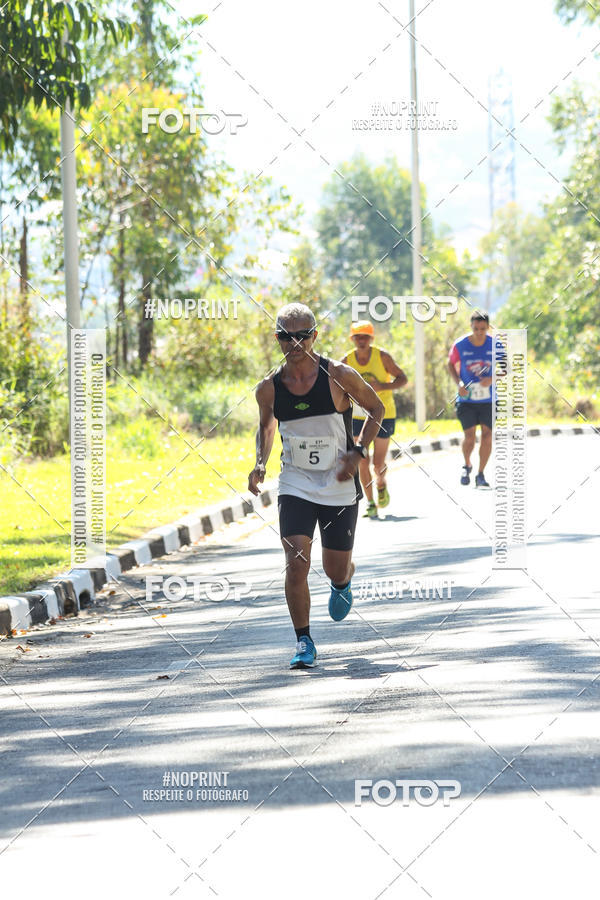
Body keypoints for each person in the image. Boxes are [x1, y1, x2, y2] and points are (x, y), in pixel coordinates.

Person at [248, 303, 384, 669]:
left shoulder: (338, 375)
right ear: (276, 338)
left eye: (302, 335)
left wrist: (357, 451)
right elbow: (266, 428)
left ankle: (344, 581)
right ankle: (304, 640)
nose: (295, 343)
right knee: (296, 560)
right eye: (286, 336)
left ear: (315, 336)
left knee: (334, 569)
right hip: (296, 482)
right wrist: (260, 464)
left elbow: (376, 409)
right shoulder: (269, 389)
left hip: (339, 482)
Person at [342, 321, 408, 518]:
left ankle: (381, 483)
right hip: (357, 416)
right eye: (357, 337)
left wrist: (382, 386)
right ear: (352, 339)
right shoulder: (346, 360)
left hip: (383, 414)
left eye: (365, 337)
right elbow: (335, 384)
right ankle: (370, 502)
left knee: (378, 464)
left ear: (371, 339)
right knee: (362, 460)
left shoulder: (383, 357)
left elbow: (402, 379)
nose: (361, 341)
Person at [447, 311, 494, 488]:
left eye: (483, 329)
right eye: (476, 329)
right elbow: (450, 364)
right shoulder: (460, 345)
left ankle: (481, 474)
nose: (479, 332)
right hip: (466, 399)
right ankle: (467, 464)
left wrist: (492, 379)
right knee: (469, 436)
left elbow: (506, 367)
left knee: (487, 435)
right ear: (471, 327)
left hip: (489, 399)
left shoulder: (495, 345)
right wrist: (458, 381)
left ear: (488, 327)